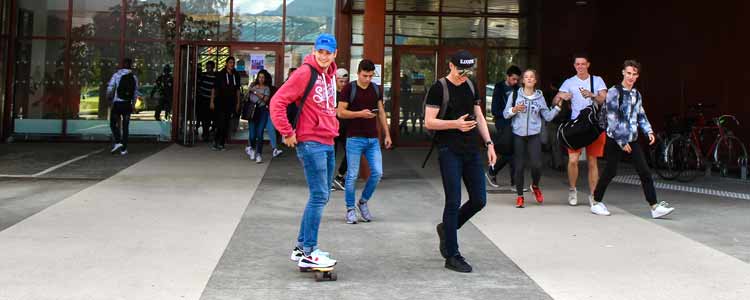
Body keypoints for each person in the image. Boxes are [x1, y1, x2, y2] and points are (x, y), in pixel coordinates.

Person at [270, 33, 339, 269]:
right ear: (314, 50)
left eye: (328, 52)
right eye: (320, 51)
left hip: (328, 140)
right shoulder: (305, 73)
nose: (323, 56)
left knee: (322, 195)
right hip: (311, 142)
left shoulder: (329, 76)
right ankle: (310, 251)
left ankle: (301, 248)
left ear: (334, 54)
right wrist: (287, 131)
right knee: (319, 195)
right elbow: (277, 101)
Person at [425, 50, 496, 273]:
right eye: (460, 70)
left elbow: (479, 115)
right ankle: (452, 254)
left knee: (479, 200)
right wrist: (454, 124)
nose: (464, 75)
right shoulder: (439, 88)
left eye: (468, 71)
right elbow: (429, 122)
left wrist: (489, 143)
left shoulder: (470, 85)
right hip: (449, 150)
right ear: (451, 66)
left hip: (472, 150)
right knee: (453, 201)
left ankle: (447, 230)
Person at [591, 60, 675, 218]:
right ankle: (596, 201)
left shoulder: (636, 94)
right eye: (628, 73)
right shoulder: (614, 92)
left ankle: (654, 206)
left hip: (632, 138)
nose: (631, 77)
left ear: (637, 76)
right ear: (623, 72)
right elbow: (612, 119)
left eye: (634, 74)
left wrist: (648, 131)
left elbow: (641, 115)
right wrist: (622, 141)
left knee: (644, 171)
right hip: (615, 139)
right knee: (610, 171)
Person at [337, 59, 392, 224]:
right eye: (364, 75)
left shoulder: (376, 89)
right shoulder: (349, 88)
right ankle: (350, 209)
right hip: (354, 138)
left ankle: (363, 202)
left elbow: (381, 112)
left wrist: (387, 135)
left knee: (377, 173)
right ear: (358, 73)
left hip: (372, 139)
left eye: (370, 76)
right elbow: (340, 112)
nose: (367, 79)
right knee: (352, 175)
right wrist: (360, 114)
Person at [504, 69, 563, 208]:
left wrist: (557, 109)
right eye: (526, 77)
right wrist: (514, 109)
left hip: (534, 135)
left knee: (537, 165)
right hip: (518, 134)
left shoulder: (540, 97)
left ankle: (535, 185)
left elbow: (547, 116)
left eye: (532, 77)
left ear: (535, 80)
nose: (529, 79)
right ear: (522, 80)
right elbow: (505, 114)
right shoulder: (514, 95)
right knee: (519, 167)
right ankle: (520, 196)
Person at [553, 54, 607, 206]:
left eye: (583, 64)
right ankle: (572, 189)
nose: (580, 66)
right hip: (576, 125)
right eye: (578, 64)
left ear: (588, 64)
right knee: (573, 160)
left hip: (594, 125)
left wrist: (592, 95)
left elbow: (604, 98)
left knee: (592, 161)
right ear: (574, 65)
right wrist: (561, 97)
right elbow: (555, 100)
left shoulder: (597, 80)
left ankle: (594, 196)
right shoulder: (569, 82)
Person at [486, 65, 522, 190]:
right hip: (503, 123)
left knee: (512, 152)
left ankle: (497, 174)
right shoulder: (499, 88)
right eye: (513, 79)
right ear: (507, 76)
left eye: (517, 79)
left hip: (515, 123)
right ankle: (509, 181)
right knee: (510, 153)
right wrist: (508, 113)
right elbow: (495, 110)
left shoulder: (518, 89)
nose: (515, 82)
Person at [246, 69, 281, 163]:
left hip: (262, 111)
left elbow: (265, 99)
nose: (261, 79)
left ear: (265, 79)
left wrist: (255, 92)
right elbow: (248, 97)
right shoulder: (252, 86)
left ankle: (259, 154)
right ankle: (251, 149)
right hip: (253, 111)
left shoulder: (267, 88)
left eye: (263, 77)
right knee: (252, 135)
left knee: (260, 133)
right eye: (259, 77)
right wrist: (250, 90)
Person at [106, 58, 140, 156]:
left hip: (117, 104)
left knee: (113, 123)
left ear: (122, 65)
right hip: (127, 105)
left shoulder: (116, 75)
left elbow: (110, 87)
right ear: (130, 66)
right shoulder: (134, 77)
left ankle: (118, 141)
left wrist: (108, 97)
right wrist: (133, 105)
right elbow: (135, 93)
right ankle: (123, 150)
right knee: (125, 127)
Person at [210, 56, 241, 151]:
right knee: (220, 123)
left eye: (233, 63)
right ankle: (216, 141)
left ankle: (222, 143)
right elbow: (214, 88)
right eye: (230, 62)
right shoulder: (220, 74)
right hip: (220, 102)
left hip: (231, 103)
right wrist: (211, 101)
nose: (232, 64)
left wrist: (238, 103)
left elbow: (237, 90)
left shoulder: (236, 75)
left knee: (227, 124)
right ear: (226, 64)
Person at [332, 67, 350, 191]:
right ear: (335, 80)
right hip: (331, 129)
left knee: (351, 153)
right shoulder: (330, 93)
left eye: (345, 81)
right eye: (341, 81)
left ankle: (339, 177)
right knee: (329, 156)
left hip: (346, 128)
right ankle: (327, 181)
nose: (343, 84)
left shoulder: (349, 94)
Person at [197, 61, 216, 142]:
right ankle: (205, 134)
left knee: (211, 118)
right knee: (204, 119)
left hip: (212, 101)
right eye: (207, 67)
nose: (208, 69)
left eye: (209, 67)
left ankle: (210, 132)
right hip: (203, 100)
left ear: (213, 68)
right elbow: (198, 86)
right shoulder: (203, 76)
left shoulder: (216, 78)